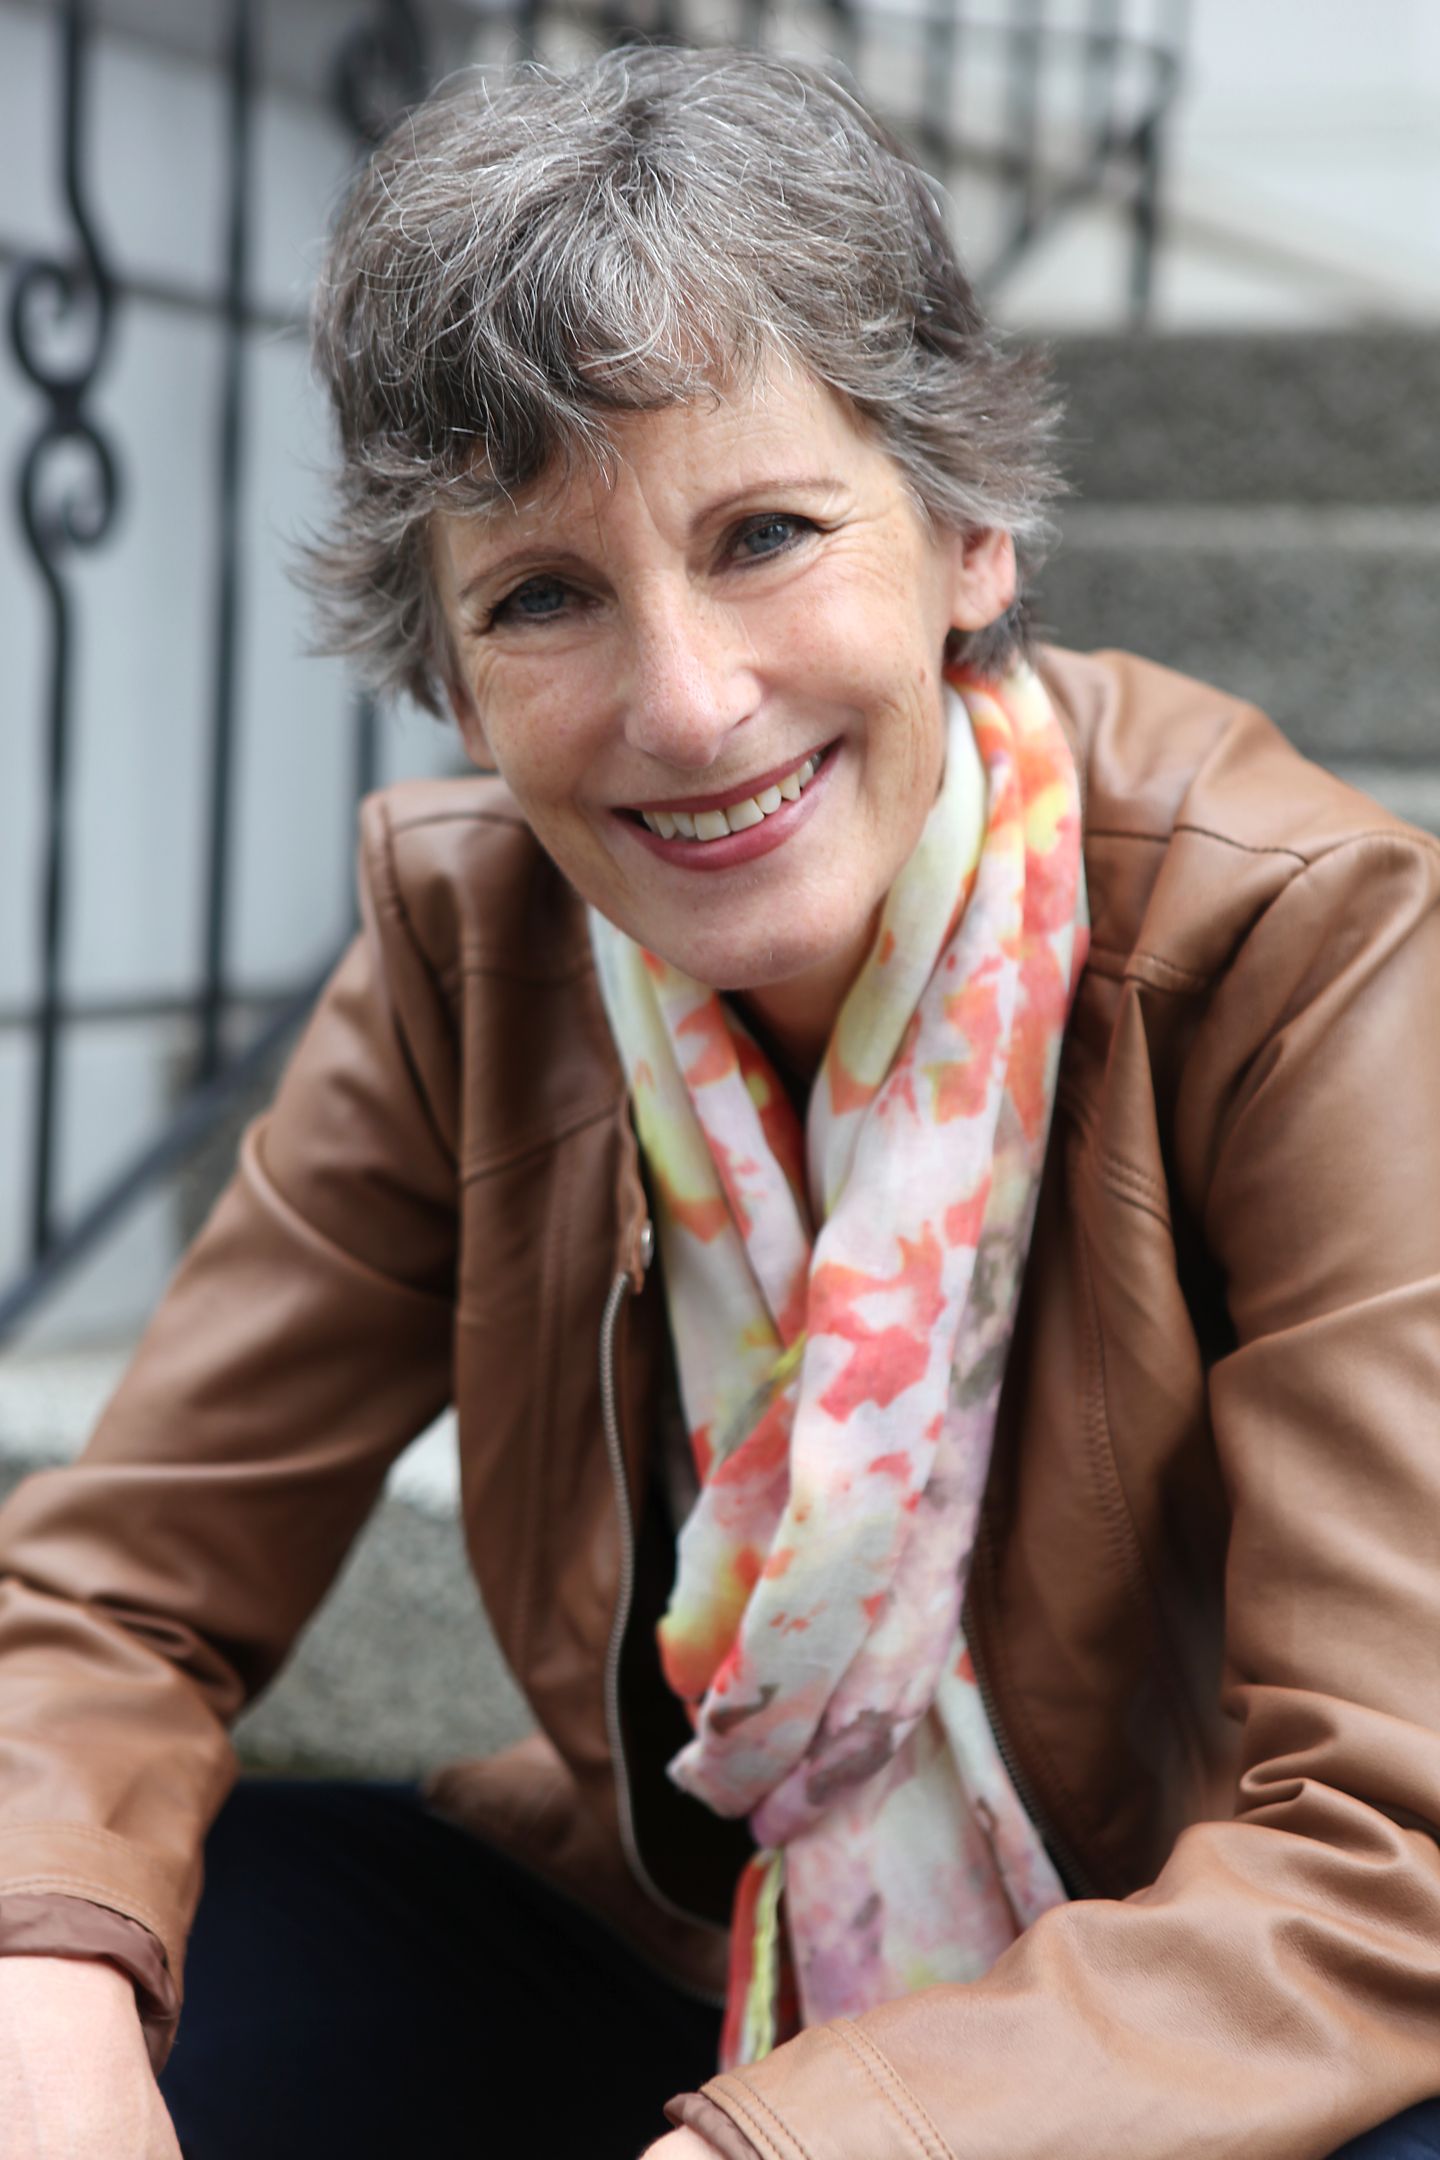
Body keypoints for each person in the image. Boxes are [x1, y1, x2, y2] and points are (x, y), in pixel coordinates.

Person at [2, 42, 1440, 2160]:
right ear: (451, 670)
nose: (685, 707)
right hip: (690, 1947)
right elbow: (117, 1595)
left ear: (967, 534)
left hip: (1189, 2000)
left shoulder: (1309, 945)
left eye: (765, 533)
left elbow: (1391, 1846)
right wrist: (43, 1982)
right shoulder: (473, 944)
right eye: (544, 595)